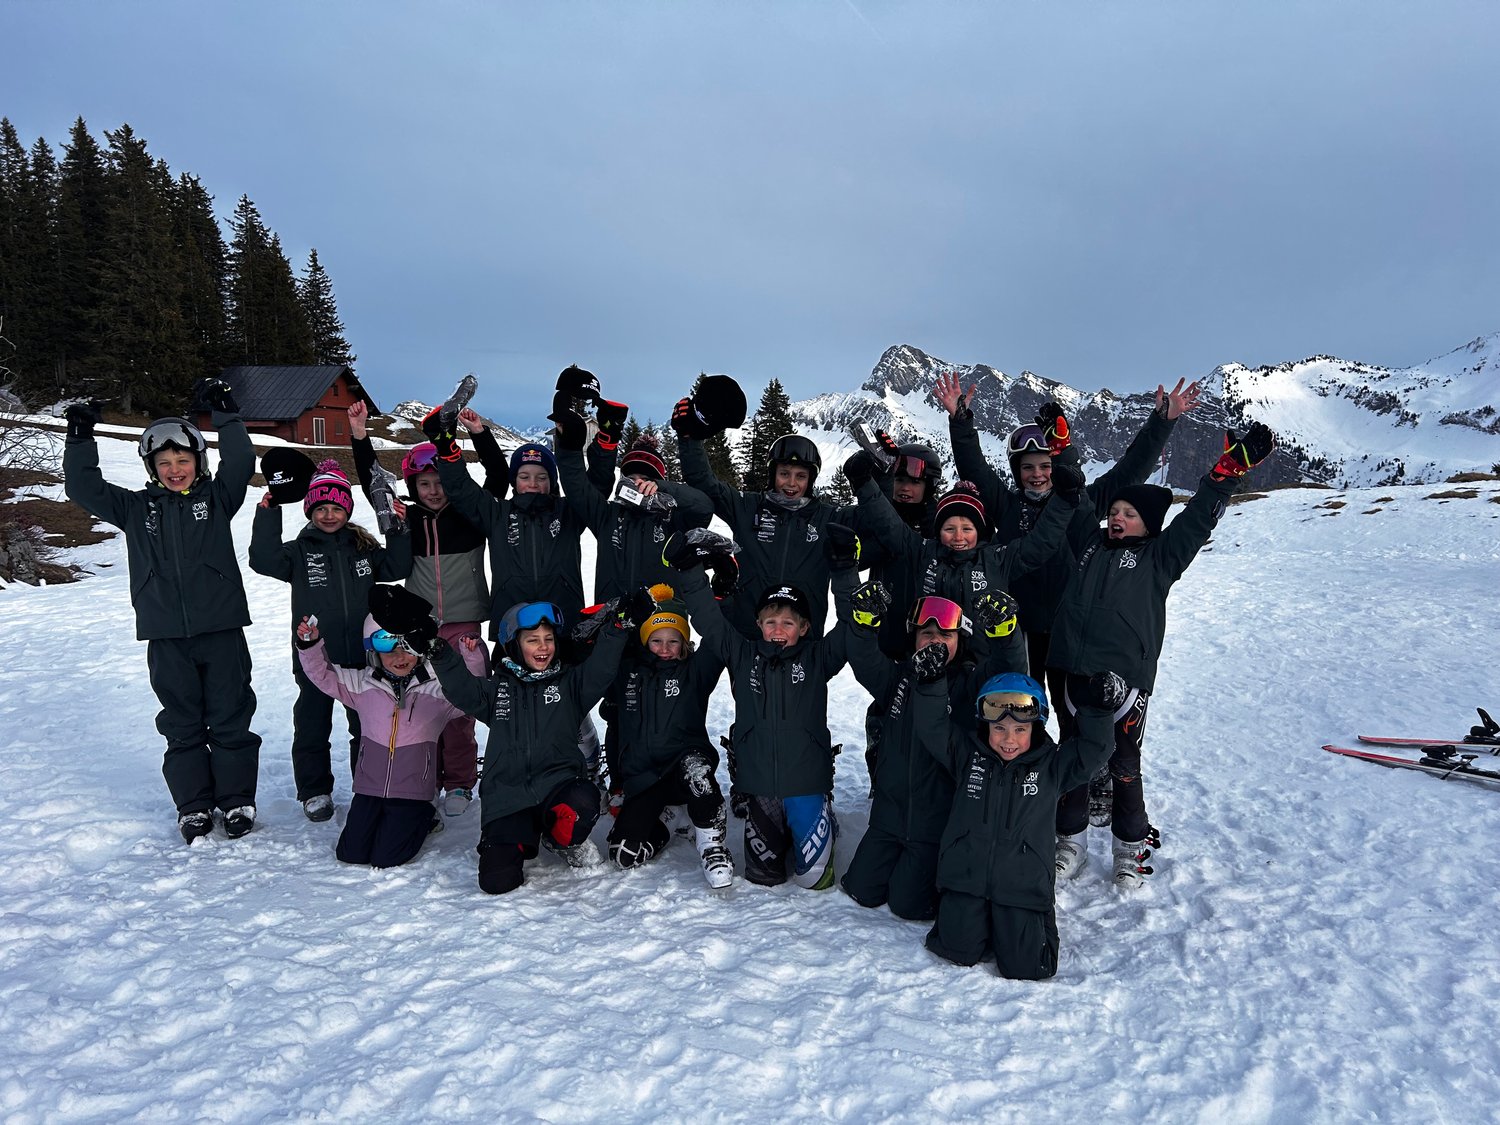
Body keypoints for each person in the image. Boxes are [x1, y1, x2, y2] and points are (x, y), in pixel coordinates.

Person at [1047, 423, 1276, 888]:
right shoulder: (1089, 544)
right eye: (1114, 511)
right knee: (1073, 758)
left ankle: (1129, 848)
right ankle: (1070, 842)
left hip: (1125, 681)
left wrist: (1226, 472)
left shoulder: (1161, 556)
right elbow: (1076, 500)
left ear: (1149, 523)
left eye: (1128, 513)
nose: (1116, 518)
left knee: (1124, 765)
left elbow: (1197, 519)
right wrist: (1062, 450)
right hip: (1070, 670)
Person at [934, 372, 1204, 714]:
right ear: (1017, 472)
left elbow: (1130, 471)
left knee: (1071, 716)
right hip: (1019, 630)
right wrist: (960, 421)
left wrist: (1162, 421)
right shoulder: (1007, 506)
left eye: (1045, 465)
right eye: (1028, 467)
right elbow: (974, 468)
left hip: (1072, 632)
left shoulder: (1082, 502)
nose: (1037, 474)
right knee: (1021, 709)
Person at [62, 384, 263, 843]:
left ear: (198, 462)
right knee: (181, 723)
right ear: (151, 468)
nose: (174, 469)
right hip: (166, 635)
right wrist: (80, 437)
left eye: (182, 459)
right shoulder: (135, 508)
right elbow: (83, 487)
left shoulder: (217, 499)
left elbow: (240, 463)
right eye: (164, 462)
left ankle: (236, 800)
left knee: (231, 716)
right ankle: (193, 807)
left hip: (222, 630)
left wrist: (228, 417)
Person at [666, 528, 860, 890]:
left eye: (788, 622)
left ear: (804, 627)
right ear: (758, 624)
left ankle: (821, 816)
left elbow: (851, 626)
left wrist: (845, 570)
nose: (778, 629)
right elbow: (709, 620)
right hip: (760, 787)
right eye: (770, 621)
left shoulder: (819, 657)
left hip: (806, 784)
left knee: (814, 880)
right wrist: (689, 570)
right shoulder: (743, 654)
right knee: (763, 877)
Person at [914, 669, 1126, 980]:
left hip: (1022, 886)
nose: (1009, 739)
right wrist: (930, 683)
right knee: (956, 950)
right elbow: (932, 727)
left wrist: (1099, 710)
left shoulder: (1053, 766)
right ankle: (981, 921)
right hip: (966, 878)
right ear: (985, 724)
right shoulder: (968, 755)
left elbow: (1094, 749)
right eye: (999, 728)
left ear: (1036, 727)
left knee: (1027, 967)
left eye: (1020, 729)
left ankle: (1027, 920)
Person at [428, 596, 645, 895]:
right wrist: (438, 651)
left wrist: (618, 627)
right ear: (514, 645)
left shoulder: (571, 684)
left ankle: (561, 840)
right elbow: (461, 687)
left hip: (557, 786)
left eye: (548, 639)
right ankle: (521, 835)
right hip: (507, 797)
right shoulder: (497, 691)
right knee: (497, 881)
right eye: (533, 640)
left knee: (584, 801)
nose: (543, 647)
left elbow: (602, 668)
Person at [348, 400, 502, 817]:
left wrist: (480, 435)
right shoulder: (407, 520)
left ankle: (460, 781)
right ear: (413, 486)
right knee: (423, 707)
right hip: (419, 629)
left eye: (439, 482)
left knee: (461, 708)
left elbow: (498, 476)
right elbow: (372, 483)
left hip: (464, 625)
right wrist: (359, 434)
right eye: (424, 484)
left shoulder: (470, 514)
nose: (433, 490)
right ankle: (427, 781)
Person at [841, 586, 1023, 920]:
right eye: (926, 633)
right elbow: (864, 658)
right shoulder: (897, 679)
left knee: (908, 905)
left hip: (933, 825)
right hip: (888, 818)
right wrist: (863, 622)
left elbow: (1008, 668)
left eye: (945, 635)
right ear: (913, 639)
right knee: (860, 890)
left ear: (960, 642)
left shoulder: (970, 685)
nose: (934, 640)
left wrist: (1005, 633)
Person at [250, 459, 412, 822]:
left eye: (336, 508)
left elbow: (398, 567)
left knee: (367, 726)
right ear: (309, 510)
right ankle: (315, 791)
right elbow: (262, 560)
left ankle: (369, 783)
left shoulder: (363, 548)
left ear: (347, 510)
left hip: (363, 659)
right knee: (312, 725)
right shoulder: (298, 552)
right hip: (316, 658)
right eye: (321, 508)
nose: (328, 515)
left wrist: (399, 530)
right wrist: (268, 514)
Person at [294, 606, 488, 867]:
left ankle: (426, 815)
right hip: (369, 788)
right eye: (388, 647)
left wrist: (472, 657)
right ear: (373, 651)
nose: (400, 657)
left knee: (387, 856)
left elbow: (470, 696)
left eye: (408, 647)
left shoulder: (436, 690)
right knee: (350, 853)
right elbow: (323, 675)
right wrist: (310, 645)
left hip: (412, 792)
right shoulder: (362, 685)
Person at [605, 589, 734, 888]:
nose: (664, 648)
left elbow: (717, 634)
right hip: (644, 777)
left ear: (684, 642)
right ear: (644, 640)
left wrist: (722, 597)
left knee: (697, 772)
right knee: (623, 855)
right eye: (656, 640)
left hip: (683, 767)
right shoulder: (627, 671)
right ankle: (669, 818)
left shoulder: (697, 670)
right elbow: (599, 658)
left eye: (673, 640)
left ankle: (712, 846)